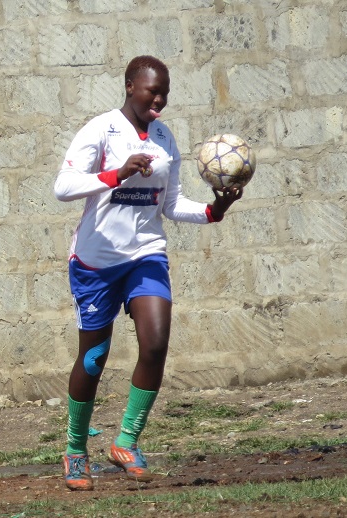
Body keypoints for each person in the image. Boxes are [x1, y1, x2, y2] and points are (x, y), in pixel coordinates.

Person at [53, 55, 243, 491]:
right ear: (129, 86)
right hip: (96, 262)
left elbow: (172, 205)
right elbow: (62, 188)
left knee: (155, 343)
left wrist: (216, 209)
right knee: (94, 359)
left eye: (165, 93)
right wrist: (115, 174)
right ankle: (75, 450)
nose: (159, 99)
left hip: (146, 254)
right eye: (151, 91)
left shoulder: (164, 139)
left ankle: (125, 443)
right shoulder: (100, 130)